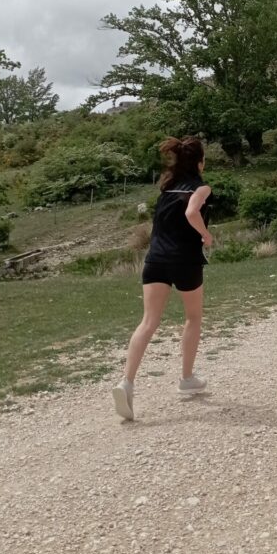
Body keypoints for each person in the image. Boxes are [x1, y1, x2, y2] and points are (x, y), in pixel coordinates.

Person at [113, 136, 213, 421]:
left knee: (148, 322)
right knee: (193, 317)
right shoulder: (201, 187)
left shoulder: (166, 188)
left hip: (155, 260)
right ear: (200, 162)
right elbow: (192, 211)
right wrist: (205, 234)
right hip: (185, 260)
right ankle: (186, 378)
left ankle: (126, 382)